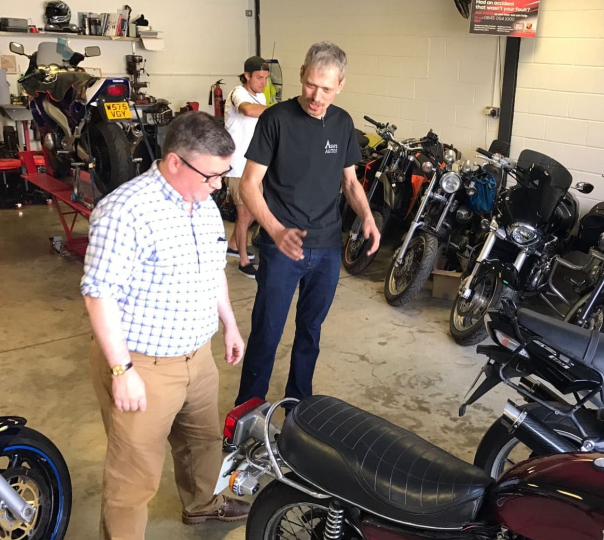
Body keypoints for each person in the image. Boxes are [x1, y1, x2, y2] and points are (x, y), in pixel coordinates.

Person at [81, 111, 250, 540]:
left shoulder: (204, 205)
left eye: (222, 175)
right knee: (134, 474)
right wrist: (122, 371)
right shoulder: (125, 211)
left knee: (203, 443)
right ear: (175, 162)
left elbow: (213, 271)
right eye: (211, 176)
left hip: (197, 356)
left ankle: (202, 505)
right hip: (142, 365)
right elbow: (98, 292)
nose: (218, 186)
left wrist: (229, 324)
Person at [234, 41, 380, 406]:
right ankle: (247, 411)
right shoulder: (276, 120)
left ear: (341, 85)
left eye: (326, 89)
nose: (316, 96)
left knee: (310, 331)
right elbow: (249, 185)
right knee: (267, 332)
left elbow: (349, 182)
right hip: (281, 247)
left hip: (327, 246)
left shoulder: (343, 123)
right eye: (311, 85)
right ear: (301, 75)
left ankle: (298, 405)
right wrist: (275, 230)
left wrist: (367, 216)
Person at [224, 56, 270, 278]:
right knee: (245, 214)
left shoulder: (260, 96)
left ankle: (233, 245)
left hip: (253, 165)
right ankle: (243, 261)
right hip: (237, 164)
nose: (263, 82)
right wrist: (278, 109)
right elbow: (249, 111)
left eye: (266, 78)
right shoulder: (237, 93)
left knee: (252, 212)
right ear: (247, 75)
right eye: (259, 77)